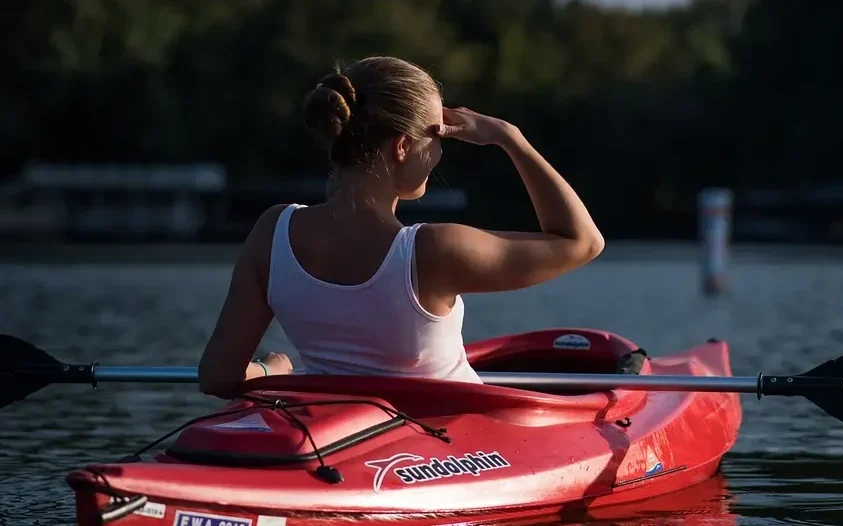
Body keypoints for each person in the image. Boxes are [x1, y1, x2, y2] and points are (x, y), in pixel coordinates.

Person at [197, 56, 605, 397]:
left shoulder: (273, 232)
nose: (441, 151)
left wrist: (270, 372)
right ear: (403, 147)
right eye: (439, 135)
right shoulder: (433, 250)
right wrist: (511, 139)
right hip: (448, 446)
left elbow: (218, 377)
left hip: (345, 438)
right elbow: (583, 241)